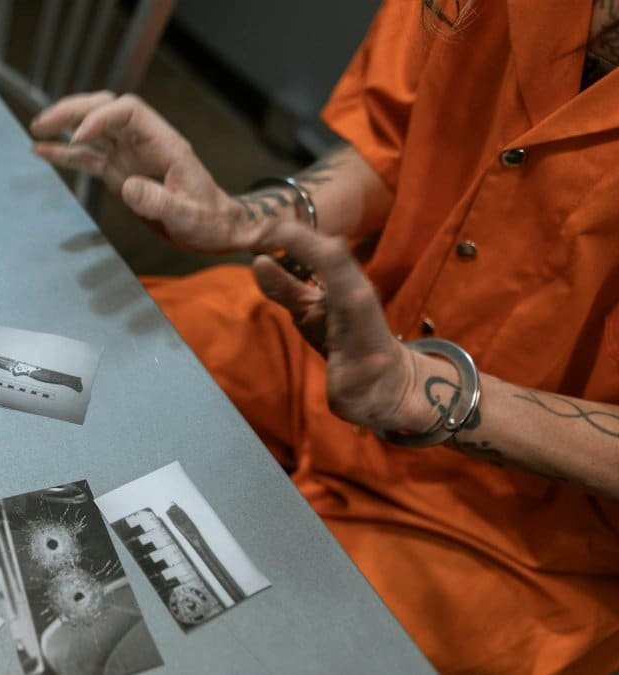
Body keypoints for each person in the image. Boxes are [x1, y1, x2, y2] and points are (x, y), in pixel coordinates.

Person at [31, 1, 619, 672]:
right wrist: (241, 219)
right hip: (347, 336)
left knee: (244, 648)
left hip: (530, 532)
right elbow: (391, 144)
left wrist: (423, 395)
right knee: (57, 357)